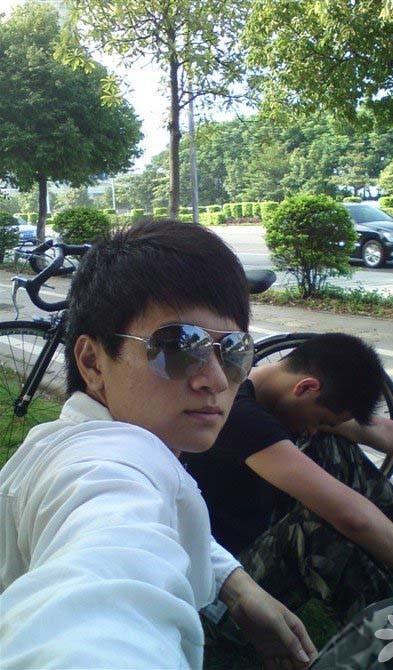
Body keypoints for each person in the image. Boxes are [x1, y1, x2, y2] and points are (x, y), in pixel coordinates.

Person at [0, 220, 317, 669]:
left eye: (233, 350)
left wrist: (236, 584)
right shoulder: (107, 468)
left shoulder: (69, 438)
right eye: (179, 346)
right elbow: (108, 573)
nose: (215, 379)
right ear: (93, 362)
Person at [185, 333, 393, 632]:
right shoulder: (240, 415)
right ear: (306, 387)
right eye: (320, 419)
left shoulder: (280, 396)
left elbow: (379, 430)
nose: (314, 429)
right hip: (224, 594)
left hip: (258, 530)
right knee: (319, 531)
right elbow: (352, 516)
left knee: (333, 445)